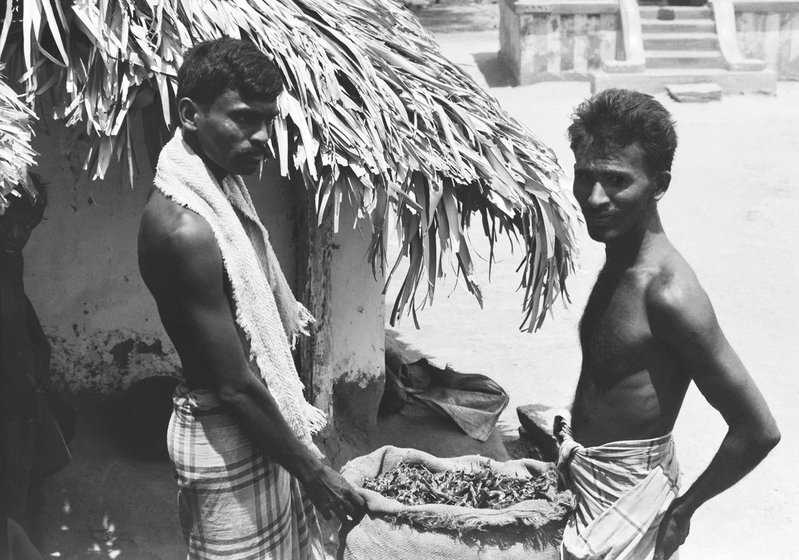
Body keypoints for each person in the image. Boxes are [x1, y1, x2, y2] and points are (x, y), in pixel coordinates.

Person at [138, 38, 365, 559]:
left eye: (269, 120)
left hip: (260, 428)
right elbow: (233, 385)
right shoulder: (185, 231)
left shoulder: (219, 192)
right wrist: (313, 471)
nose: (263, 137)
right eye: (243, 119)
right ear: (190, 115)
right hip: (226, 434)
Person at [556, 88, 780, 560]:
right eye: (585, 177)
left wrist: (683, 511)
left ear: (659, 184)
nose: (595, 198)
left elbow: (757, 429)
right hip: (589, 481)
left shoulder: (668, 294)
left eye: (617, 180)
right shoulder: (620, 258)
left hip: (630, 501)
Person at [1, 175, 68, 560]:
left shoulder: (10, 257)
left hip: (18, 397)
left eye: (27, 227)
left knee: (18, 490)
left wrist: (39, 346)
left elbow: (16, 303)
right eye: (8, 220)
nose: (15, 234)